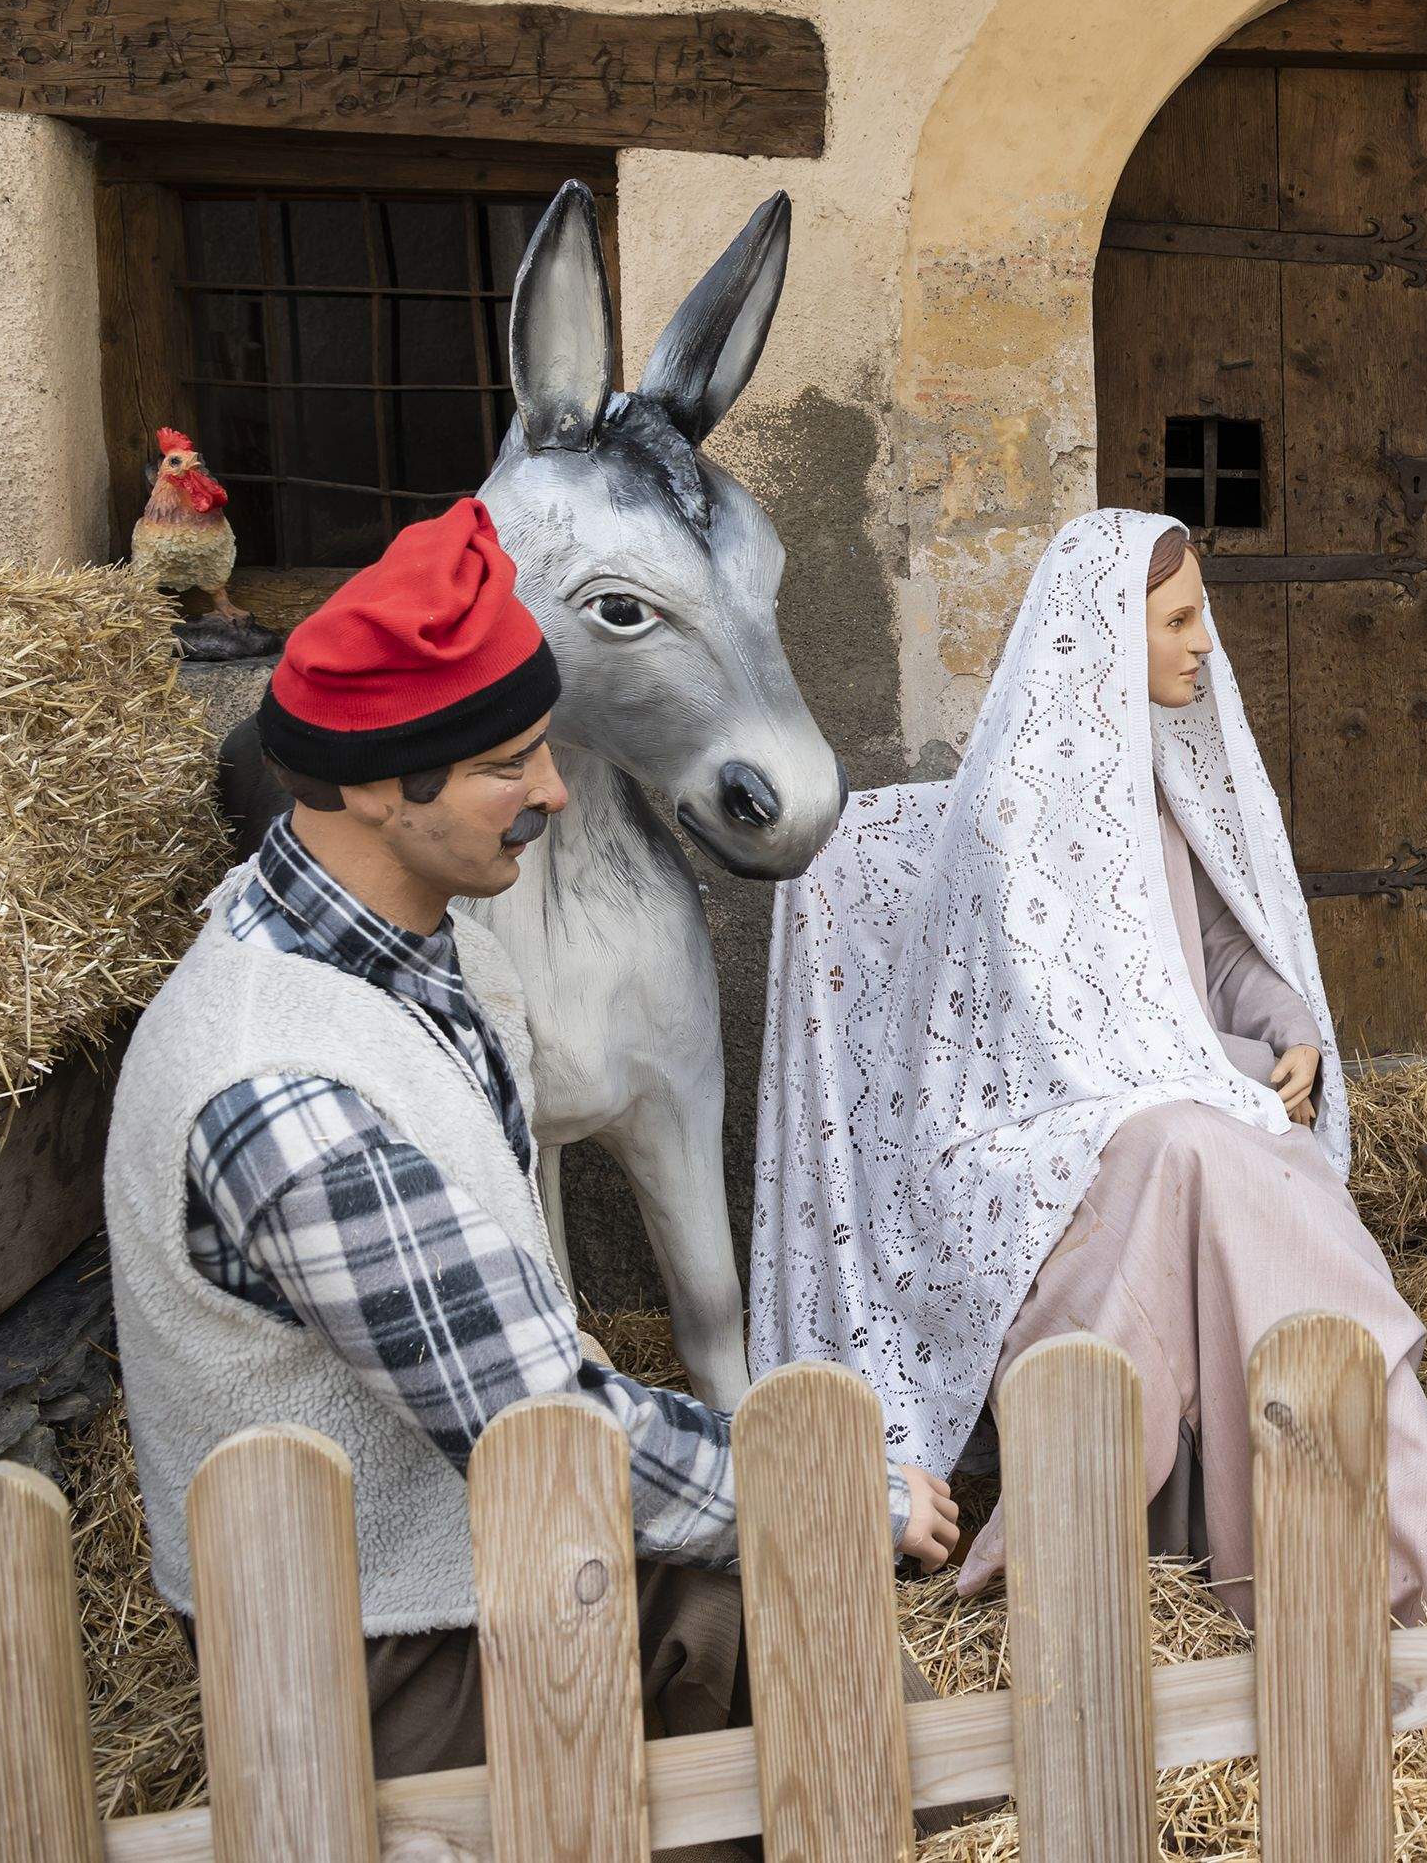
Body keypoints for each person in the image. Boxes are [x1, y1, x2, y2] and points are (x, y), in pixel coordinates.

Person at [103, 499, 957, 1819]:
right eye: (508, 766)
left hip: (460, 1558)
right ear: (378, 784)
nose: (554, 793)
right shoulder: (284, 1087)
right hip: (372, 1647)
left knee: (833, 1664)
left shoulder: (403, 945)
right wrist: (833, 1489)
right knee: (801, 1611)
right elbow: (543, 1431)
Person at [754, 508, 1427, 1625]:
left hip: (1160, 1106)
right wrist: (1222, 1071)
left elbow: (1219, 950)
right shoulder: (1013, 818)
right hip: (1029, 1141)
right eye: (1177, 621)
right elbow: (1051, 1040)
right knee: (1197, 1155)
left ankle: (1383, 1564)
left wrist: (1286, 1028)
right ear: (1104, 638)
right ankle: (1396, 1568)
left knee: (1229, 1165)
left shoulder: (1158, 789)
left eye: (1202, 619)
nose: (1204, 645)